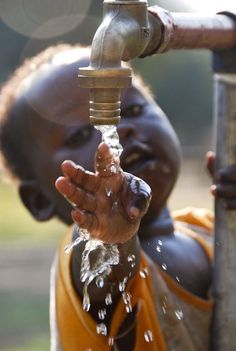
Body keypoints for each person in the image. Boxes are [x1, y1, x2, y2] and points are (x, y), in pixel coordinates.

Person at [0, 44, 235, 351]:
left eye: (133, 110)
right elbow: (104, 274)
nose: (120, 130)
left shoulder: (214, 228)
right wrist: (112, 240)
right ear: (39, 199)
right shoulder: (86, 252)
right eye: (81, 134)